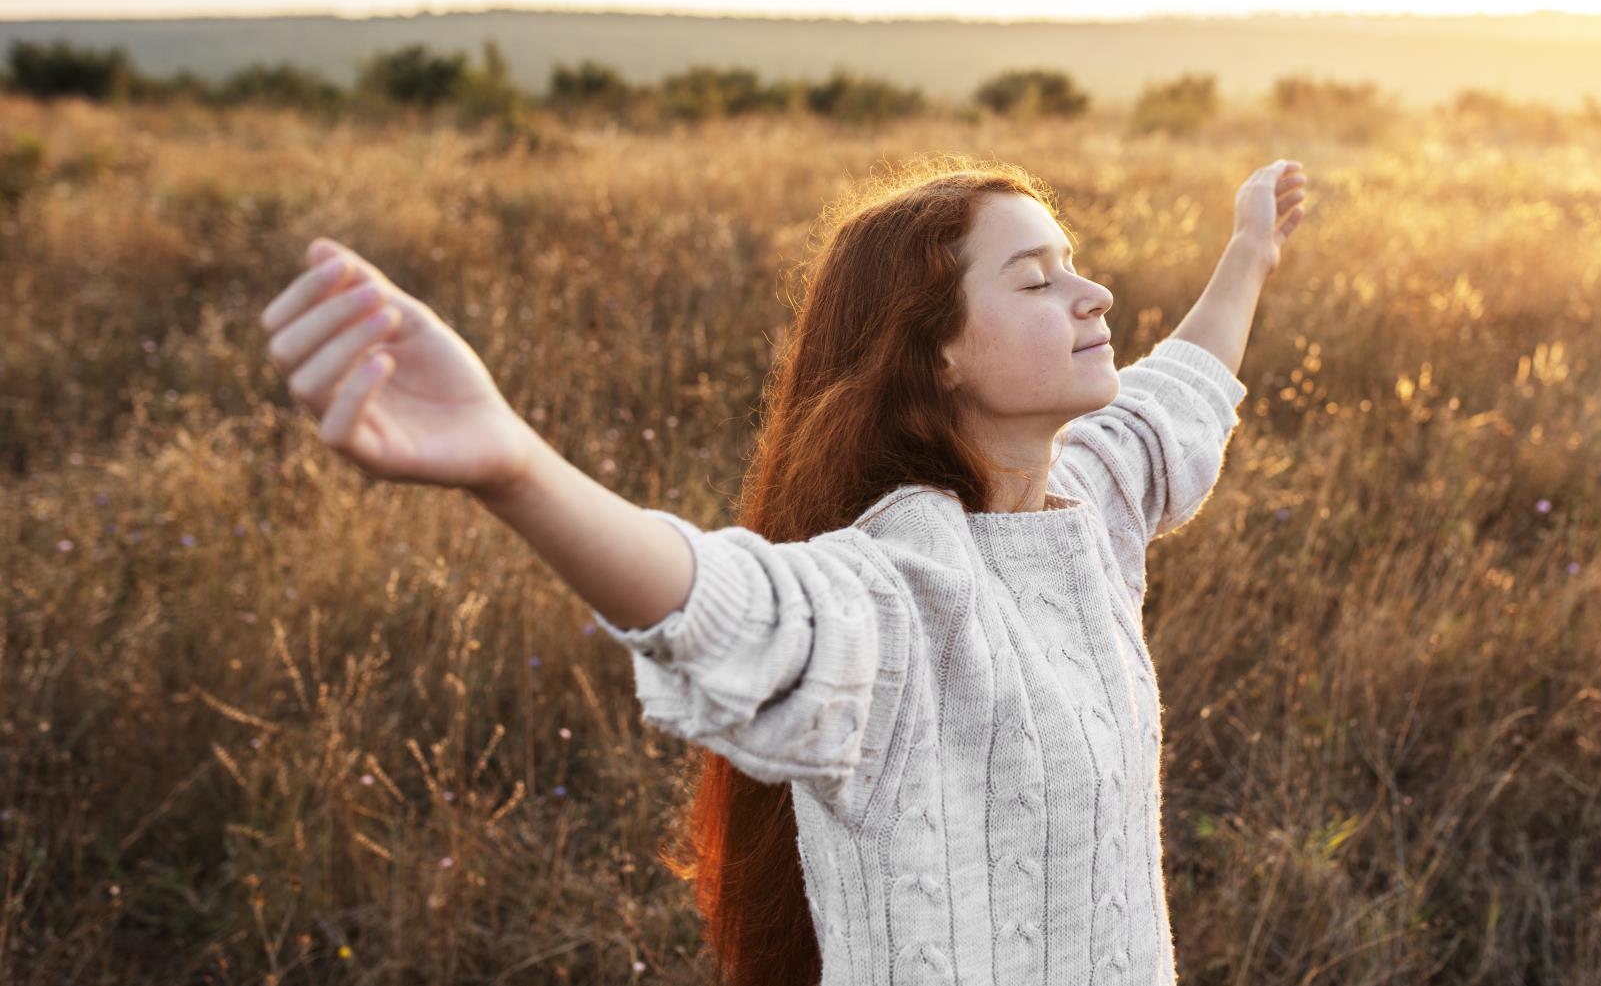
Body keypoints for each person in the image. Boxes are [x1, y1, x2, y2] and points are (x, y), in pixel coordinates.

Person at [258, 153, 1308, 985]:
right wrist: (515, 469)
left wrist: (1248, 253)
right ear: (934, 354)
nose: (1094, 293)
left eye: (1073, 263)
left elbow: (1182, 398)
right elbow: (728, 608)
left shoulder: (1090, 500)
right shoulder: (902, 589)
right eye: (1036, 278)